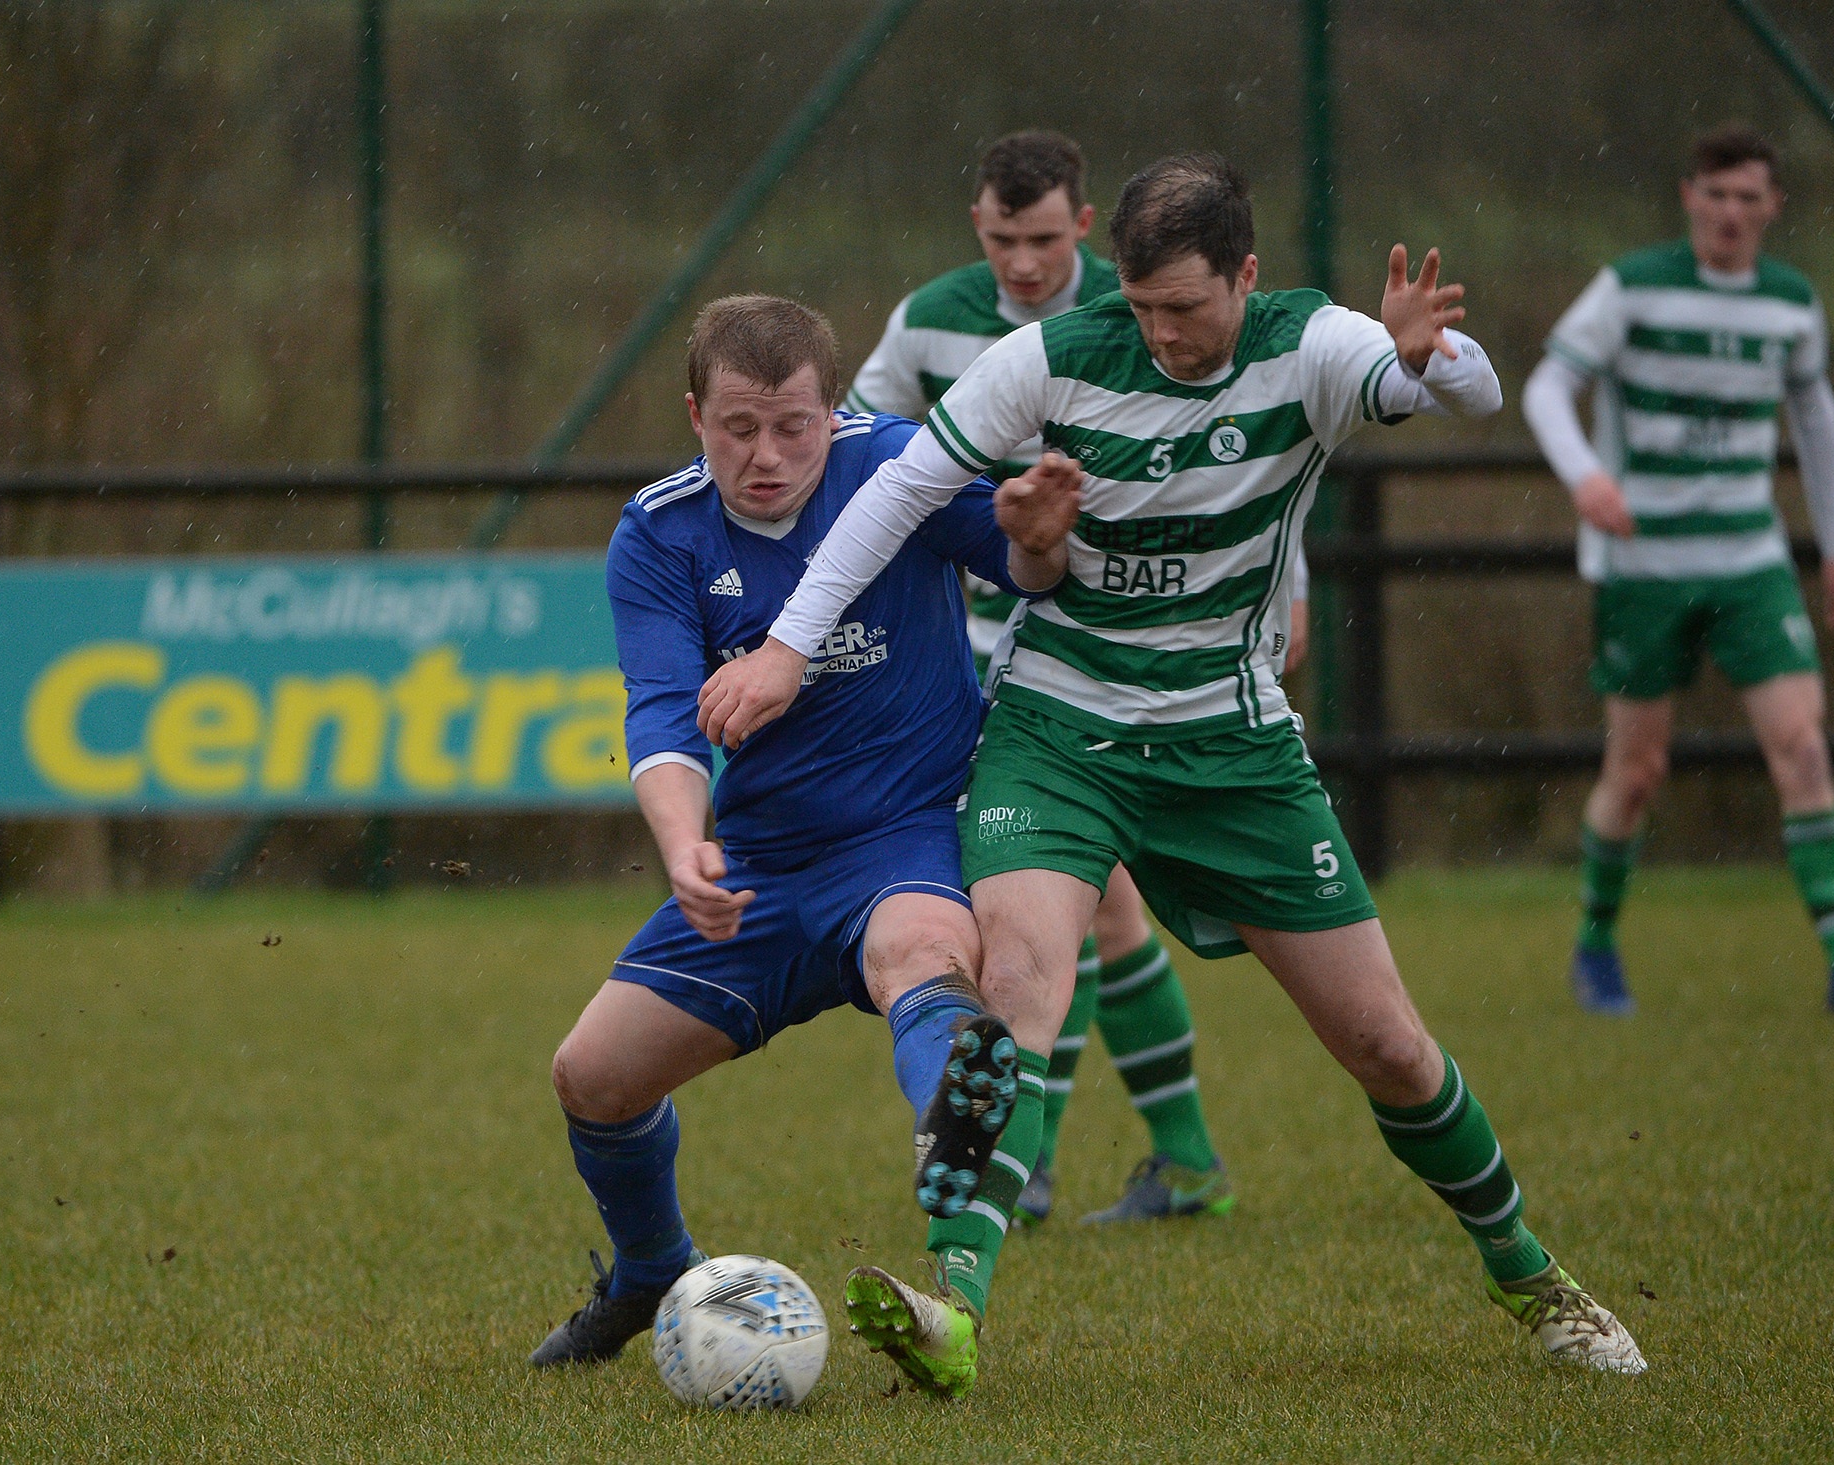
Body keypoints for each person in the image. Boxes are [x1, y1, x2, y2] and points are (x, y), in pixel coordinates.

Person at [699, 154, 1648, 1390]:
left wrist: (1427, 359)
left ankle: (1532, 1274)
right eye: (1141, 309)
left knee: (1388, 1047)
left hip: (1231, 747)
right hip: (1056, 732)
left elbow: (1462, 393)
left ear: (1245, 278)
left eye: (1186, 309)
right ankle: (953, 1305)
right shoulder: (1051, 355)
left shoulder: (1313, 344)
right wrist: (786, 649)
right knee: (1018, 989)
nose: (1161, 335)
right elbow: (895, 493)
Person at [527, 294, 1076, 1373]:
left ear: (836, 407)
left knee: (924, 953)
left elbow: (1024, 566)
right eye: (738, 428)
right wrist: (686, 845)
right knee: (592, 1075)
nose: (767, 455)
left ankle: (955, 1118)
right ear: (695, 415)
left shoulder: (904, 463)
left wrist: (1043, 543)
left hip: (909, 834)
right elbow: (661, 712)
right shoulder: (659, 532)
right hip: (763, 871)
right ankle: (649, 1270)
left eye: (794, 425)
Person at [847, 129, 1276, 1226]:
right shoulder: (931, 319)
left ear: (1083, 226)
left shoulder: (1147, 313)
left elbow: (1245, 452)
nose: (1022, 265)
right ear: (977, 227)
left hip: (1105, 651)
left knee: (1085, 916)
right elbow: (857, 448)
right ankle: (1171, 1158)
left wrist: (1291, 585)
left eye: (1042, 240)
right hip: (982, 653)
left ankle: (1049, 1164)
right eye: (1002, 240)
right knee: (1091, 914)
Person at [1520, 124, 1834, 1018]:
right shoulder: (1631, 287)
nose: (1730, 212)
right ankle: (1595, 945)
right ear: (1688, 197)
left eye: (1747, 197)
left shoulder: (1789, 303)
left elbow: (1816, 425)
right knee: (1638, 771)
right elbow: (1545, 386)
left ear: (1773, 207)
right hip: (1641, 565)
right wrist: (1586, 477)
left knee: (1803, 747)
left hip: (1748, 562)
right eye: (1714, 194)